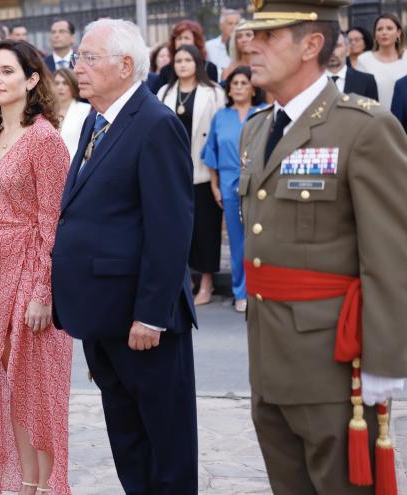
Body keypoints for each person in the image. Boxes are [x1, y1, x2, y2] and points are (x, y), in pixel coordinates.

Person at [238, 0, 407, 492]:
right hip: (268, 358)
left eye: (269, 37)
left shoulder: (362, 127)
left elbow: (390, 256)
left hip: (333, 363)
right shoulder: (256, 128)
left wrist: (385, 364)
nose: (253, 46)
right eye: (253, 36)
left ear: (312, 44)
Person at [52, 18, 198, 494]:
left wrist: (152, 315)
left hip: (143, 321)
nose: (79, 67)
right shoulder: (96, 120)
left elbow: (170, 229)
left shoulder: (156, 124)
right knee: (128, 438)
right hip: (103, 315)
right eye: (78, 58)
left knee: (166, 442)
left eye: (89, 58)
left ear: (126, 65)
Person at [0, 39, 72, 495]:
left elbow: (54, 223)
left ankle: (48, 486)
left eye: (8, 71)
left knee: (37, 390)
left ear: (32, 80)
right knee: (4, 386)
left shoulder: (45, 139)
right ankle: (26, 485)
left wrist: (42, 293)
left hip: (33, 271)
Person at [158, 44, 226, 307]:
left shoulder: (213, 92)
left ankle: (206, 283)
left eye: (187, 60)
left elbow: (218, 133)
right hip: (173, 171)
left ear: (197, 63)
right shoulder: (165, 92)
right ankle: (183, 281)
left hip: (203, 169)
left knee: (206, 229)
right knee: (176, 229)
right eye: (178, 60)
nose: (182, 64)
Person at [201, 66, 264, 313]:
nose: (238, 87)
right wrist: (215, 187)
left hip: (260, 183)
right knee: (238, 241)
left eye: (243, 83)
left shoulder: (263, 113)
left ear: (253, 87)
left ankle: (262, 288)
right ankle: (241, 291)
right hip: (229, 184)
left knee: (260, 239)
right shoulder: (221, 116)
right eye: (234, 83)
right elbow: (210, 153)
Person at [355, 13, 407, 109]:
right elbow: (359, 95)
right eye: (379, 29)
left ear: (398, 33)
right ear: (375, 34)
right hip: (375, 119)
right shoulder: (364, 60)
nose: (384, 32)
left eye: (389, 28)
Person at [153, 20, 219, 93]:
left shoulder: (209, 68)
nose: (182, 42)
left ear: (196, 41)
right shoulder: (166, 70)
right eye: (179, 38)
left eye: (186, 38)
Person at [327, 31, 378, 100]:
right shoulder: (311, 81)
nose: (332, 51)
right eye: (327, 46)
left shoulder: (366, 81)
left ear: (348, 50)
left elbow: (373, 110)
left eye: (337, 46)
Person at [54, 68, 91, 161]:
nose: (60, 87)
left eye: (65, 83)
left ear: (73, 85)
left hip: (75, 167)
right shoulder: (45, 111)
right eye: (56, 83)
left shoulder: (86, 110)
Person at [205, 9, 242, 77]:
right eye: (230, 24)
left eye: (237, 24)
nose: (234, 27)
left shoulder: (244, 47)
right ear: (221, 26)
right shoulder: (208, 47)